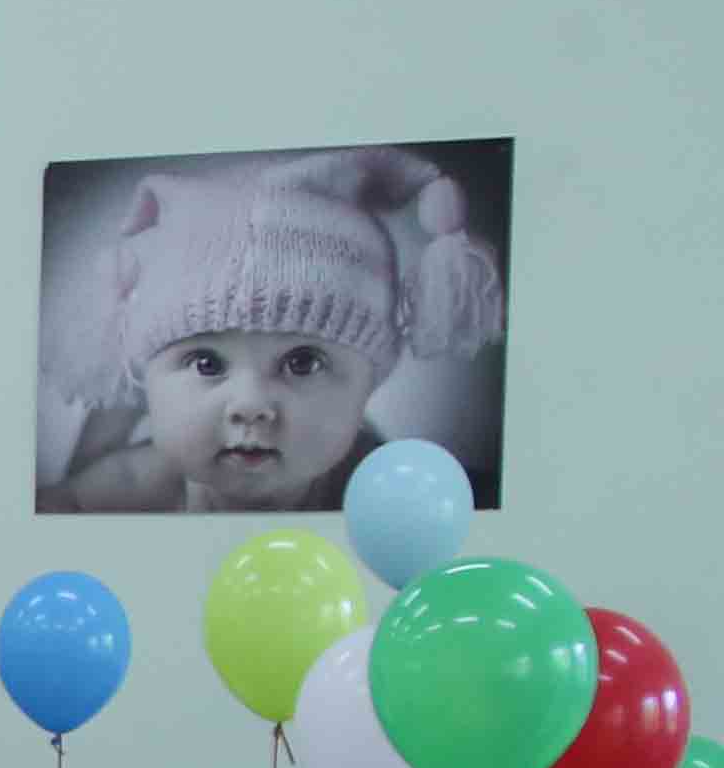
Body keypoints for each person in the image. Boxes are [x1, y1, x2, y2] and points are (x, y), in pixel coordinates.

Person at [41, 146, 504, 515]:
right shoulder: (137, 482)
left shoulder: (378, 489)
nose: (250, 406)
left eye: (302, 362)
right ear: (149, 384)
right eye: (206, 363)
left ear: (368, 387)